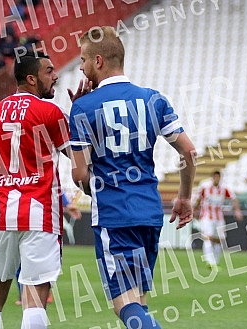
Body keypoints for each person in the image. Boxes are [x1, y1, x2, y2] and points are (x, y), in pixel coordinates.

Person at [68, 26, 196, 329]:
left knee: (123, 303)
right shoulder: (154, 100)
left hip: (114, 216)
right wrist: (185, 196)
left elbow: (79, 173)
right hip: (150, 214)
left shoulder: (83, 107)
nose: (82, 67)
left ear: (98, 61)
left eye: (83, 60)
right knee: (138, 299)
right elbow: (189, 153)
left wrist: (90, 186)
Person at [0, 52, 70, 329]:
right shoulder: (50, 113)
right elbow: (80, 158)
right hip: (40, 214)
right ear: (32, 79)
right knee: (35, 296)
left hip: (4, 213)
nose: (55, 75)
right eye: (49, 71)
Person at [193, 170, 243, 270]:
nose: (217, 179)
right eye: (215, 177)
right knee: (208, 237)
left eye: (218, 177)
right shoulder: (205, 188)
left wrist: (237, 210)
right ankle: (209, 261)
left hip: (219, 217)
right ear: (212, 177)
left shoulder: (224, 189)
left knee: (219, 240)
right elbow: (198, 200)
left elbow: (234, 199)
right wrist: (194, 211)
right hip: (207, 217)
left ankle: (215, 262)